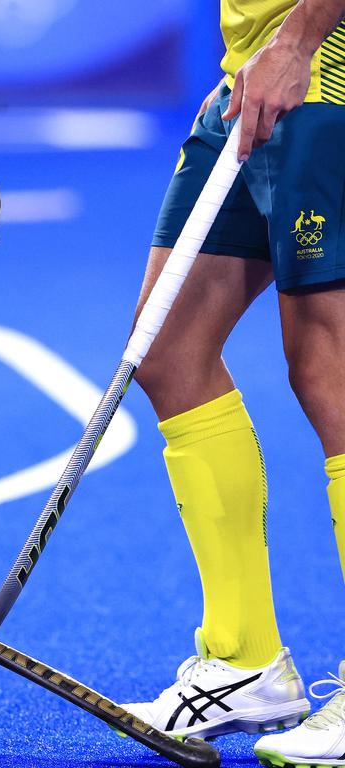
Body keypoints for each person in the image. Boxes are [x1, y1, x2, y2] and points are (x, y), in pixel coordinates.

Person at [121, 1, 345, 765]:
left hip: (325, 78)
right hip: (253, 80)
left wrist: (296, 42)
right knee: (167, 352)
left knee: (331, 374)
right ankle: (245, 659)